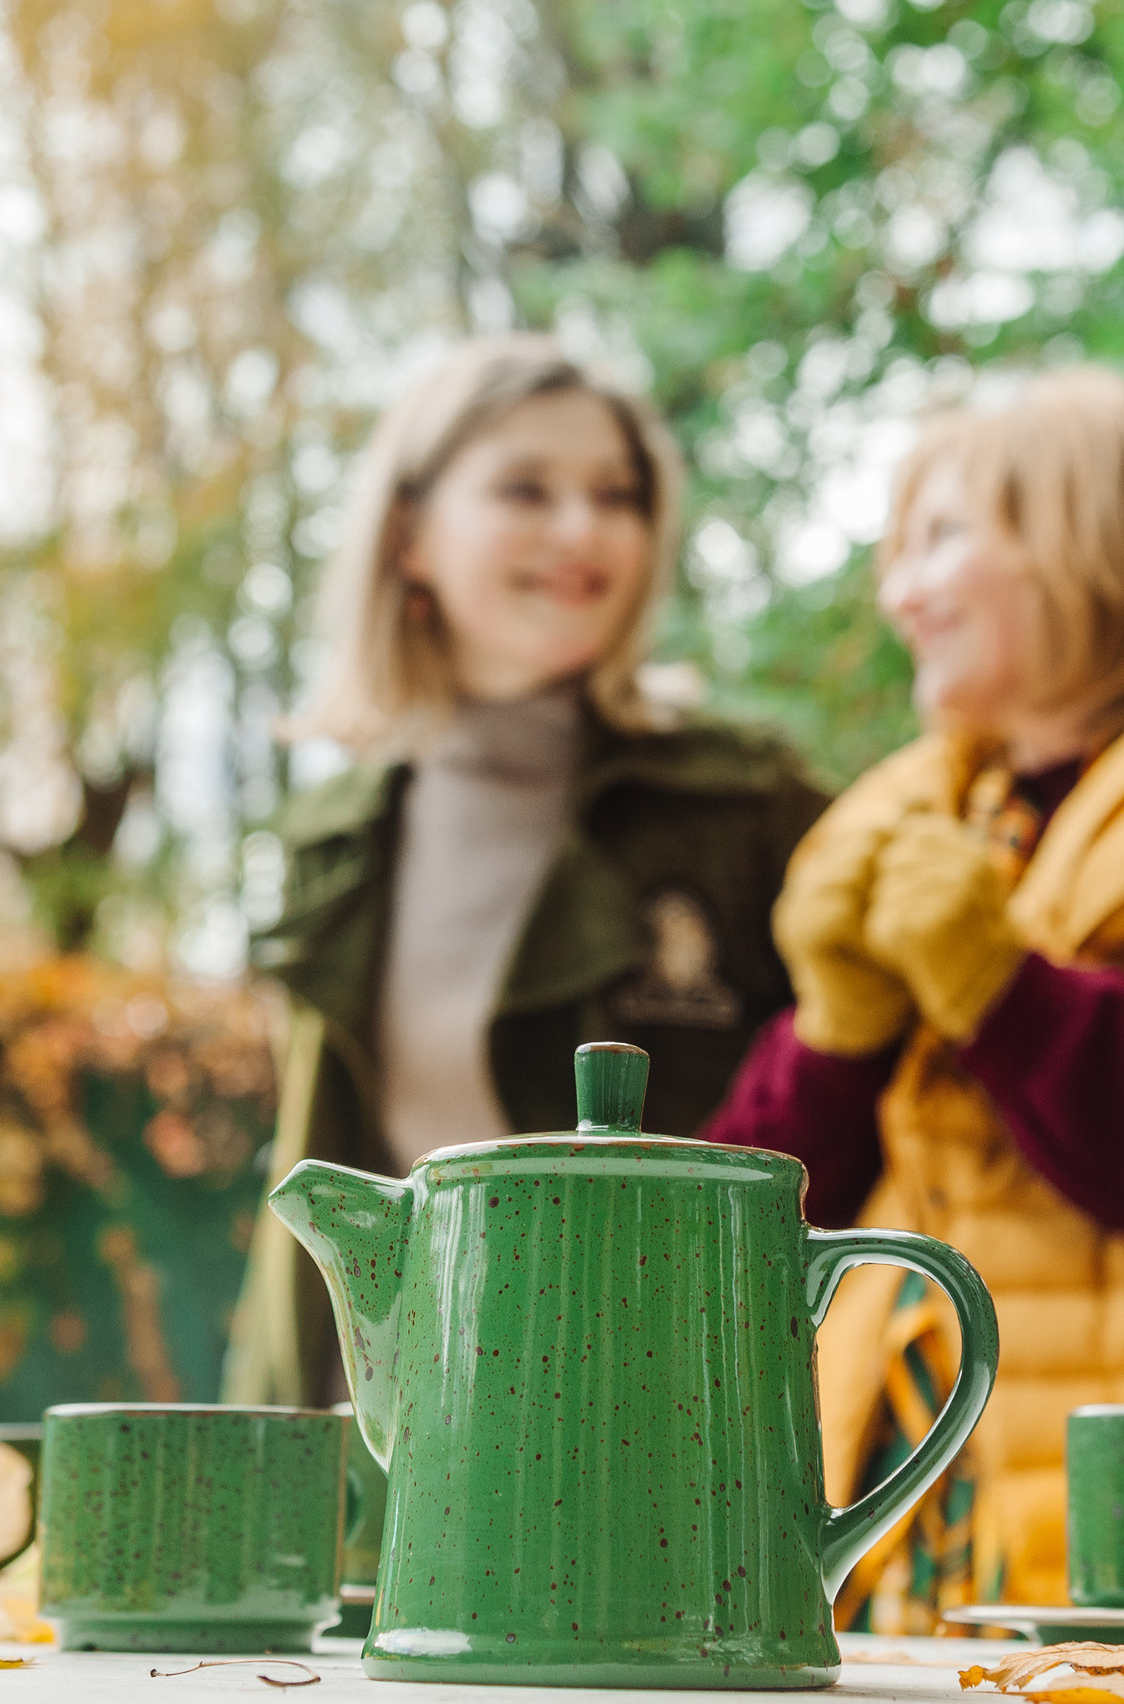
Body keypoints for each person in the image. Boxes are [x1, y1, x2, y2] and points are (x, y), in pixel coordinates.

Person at [707, 367, 1124, 1629]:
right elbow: (736, 1249)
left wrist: (1010, 999)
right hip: (891, 1527)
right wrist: (834, 1034)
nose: (899, 593)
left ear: (1089, 542)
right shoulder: (901, 841)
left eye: (940, 538)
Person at [222, 335, 828, 1410]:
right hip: (408, 1452)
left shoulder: (749, 808)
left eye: (617, 494)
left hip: (681, 1442)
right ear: (408, 536)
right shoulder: (331, 841)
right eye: (525, 489)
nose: (582, 530)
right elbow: (315, 1214)